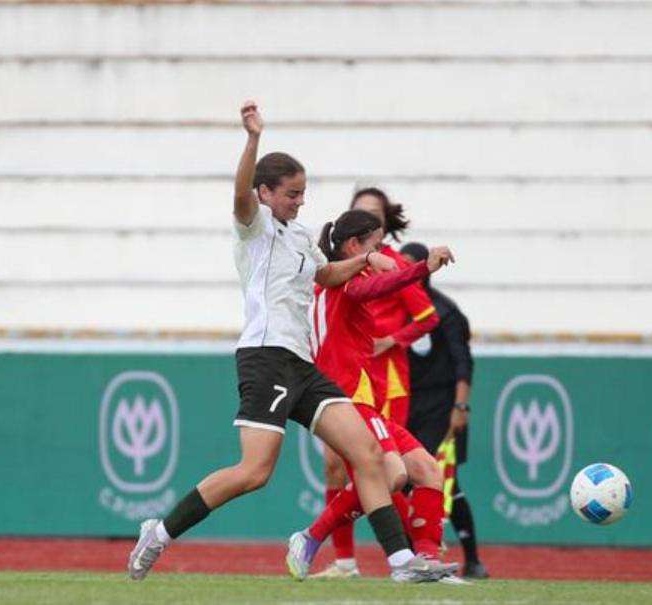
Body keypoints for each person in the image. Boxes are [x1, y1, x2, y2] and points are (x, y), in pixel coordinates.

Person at [126, 102, 457, 583]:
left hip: (302, 364)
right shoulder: (254, 227)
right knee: (254, 472)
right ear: (266, 193)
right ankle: (159, 532)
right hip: (266, 358)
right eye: (292, 193)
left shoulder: (301, 236)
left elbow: (325, 273)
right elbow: (240, 192)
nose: (300, 201)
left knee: (365, 452)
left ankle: (402, 563)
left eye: (303, 193)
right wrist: (252, 139)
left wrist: (367, 261)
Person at [285, 210, 457, 581]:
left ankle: (426, 561)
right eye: (375, 245)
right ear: (353, 247)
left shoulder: (331, 285)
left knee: (427, 470)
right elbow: (377, 288)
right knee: (392, 474)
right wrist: (423, 267)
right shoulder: (342, 284)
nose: (381, 251)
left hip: (363, 399)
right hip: (350, 402)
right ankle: (311, 536)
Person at [400, 241, 489, 579]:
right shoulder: (394, 307)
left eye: (409, 264)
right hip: (409, 402)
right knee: (407, 481)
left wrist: (460, 406)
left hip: (442, 403)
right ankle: (416, 555)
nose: (401, 270)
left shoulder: (446, 312)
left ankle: (472, 558)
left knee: (444, 480)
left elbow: (463, 361)